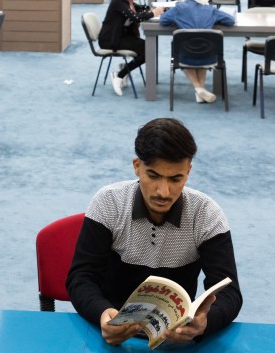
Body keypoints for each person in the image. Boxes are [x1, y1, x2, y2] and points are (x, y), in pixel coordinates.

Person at [67, 118, 242, 347]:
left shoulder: (207, 214)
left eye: (175, 178)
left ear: (188, 171)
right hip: (109, 335)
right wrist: (102, 314)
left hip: (174, 340)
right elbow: (81, 277)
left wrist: (204, 323)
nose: (163, 192)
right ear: (137, 166)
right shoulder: (108, 202)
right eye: (153, 176)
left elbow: (230, 293)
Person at [158, 0, 234, 103]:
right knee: (202, 45)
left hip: (184, 56)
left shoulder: (179, 8)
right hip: (209, 56)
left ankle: (198, 89)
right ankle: (200, 91)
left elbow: (163, 21)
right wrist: (215, 20)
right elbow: (230, 20)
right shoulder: (210, 10)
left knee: (188, 48)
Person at [98, 0, 162, 96]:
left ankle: (124, 69)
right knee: (148, 50)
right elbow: (134, 17)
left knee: (149, 48)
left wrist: (159, 8)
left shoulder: (128, 1)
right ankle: (120, 75)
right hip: (111, 39)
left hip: (123, 37)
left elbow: (141, 9)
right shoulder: (118, 1)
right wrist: (153, 13)